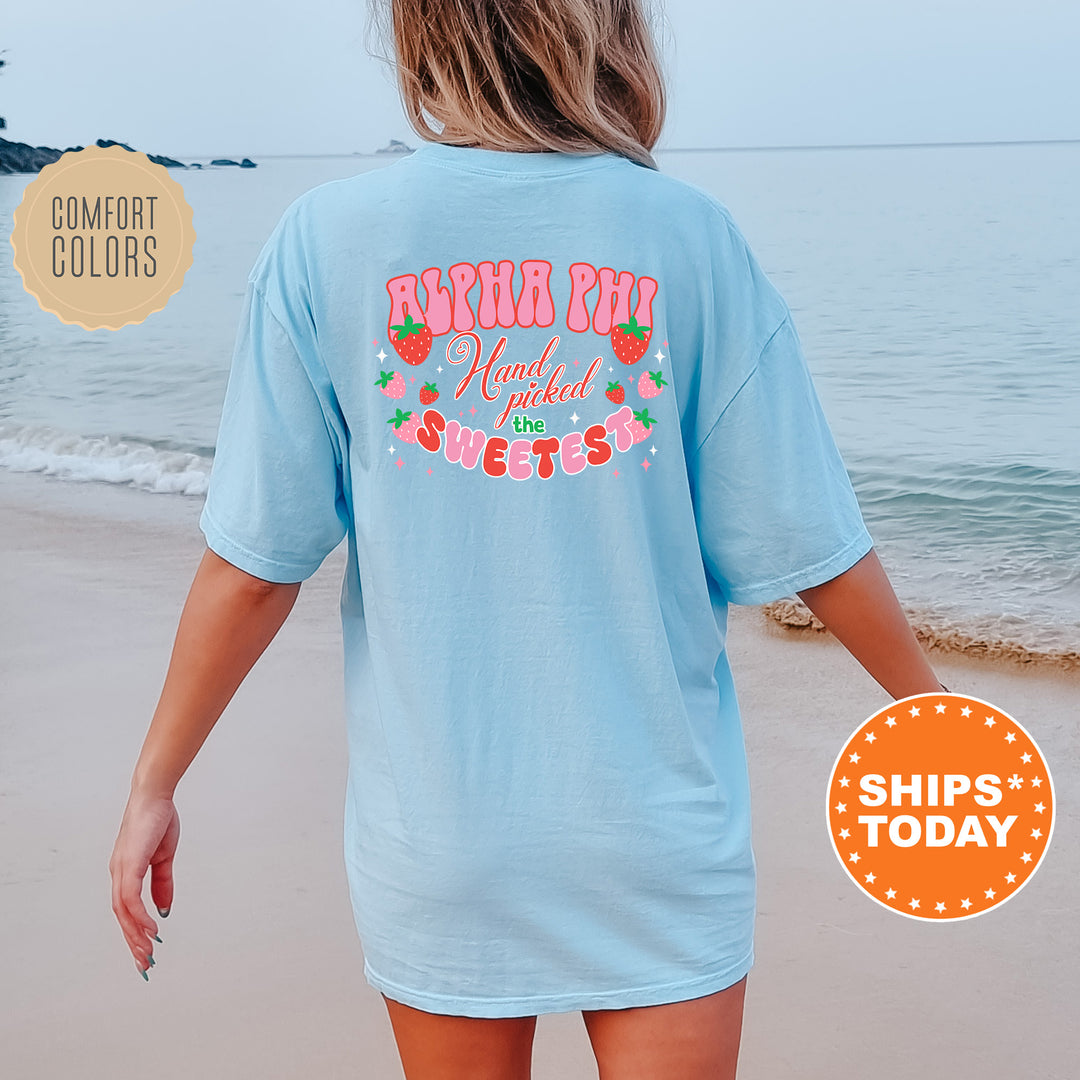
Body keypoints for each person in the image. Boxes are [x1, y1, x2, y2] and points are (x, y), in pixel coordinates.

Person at [109, 1, 946, 1076]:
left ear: (421, 31)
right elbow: (812, 542)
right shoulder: (689, 237)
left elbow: (254, 569)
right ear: (608, 27)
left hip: (442, 838)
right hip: (654, 835)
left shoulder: (324, 241)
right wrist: (936, 717)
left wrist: (155, 782)